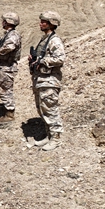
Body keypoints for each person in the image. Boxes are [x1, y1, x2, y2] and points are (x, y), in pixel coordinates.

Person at [29, 11, 66, 151]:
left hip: (49, 81)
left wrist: (42, 61)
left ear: (52, 23)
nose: (41, 24)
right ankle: (49, 135)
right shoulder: (45, 39)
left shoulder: (54, 40)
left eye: (44, 22)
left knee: (50, 109)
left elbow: (60, 58)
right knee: (42, 109)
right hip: (41, 80)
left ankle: (56, 139)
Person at [0, 12, 22, 127]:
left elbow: (10, 46)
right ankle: (8, 110)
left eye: (4, 21)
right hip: (4, 66)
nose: (2, 22)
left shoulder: (13, 35)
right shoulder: (9, 34)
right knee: (3, 89)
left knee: (5, 90)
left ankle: (10, 115)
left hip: (7, 66)